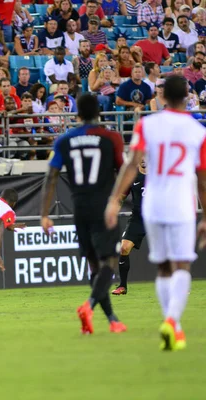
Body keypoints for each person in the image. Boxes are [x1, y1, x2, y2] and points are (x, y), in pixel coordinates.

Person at [105, 75, 206, 351]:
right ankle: (173, 321)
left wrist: (114, 200)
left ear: (161, 98)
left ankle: (172, 324)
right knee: (181, 265)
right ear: (187, 96)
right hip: (181, 205)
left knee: (162, 267)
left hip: (153, 206)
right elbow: (202, 178)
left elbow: (131, 164)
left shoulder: (147, 125)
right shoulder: (197, 131)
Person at [40, 93, 127, 335]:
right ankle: (88, 306)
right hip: (103, 206)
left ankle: (112, 320)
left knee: (94, 267)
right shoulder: (111, 138)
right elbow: (124, 172)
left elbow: (51, 177)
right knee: (109, 262)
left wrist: (44, 214)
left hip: (80, 208)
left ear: (76, 114)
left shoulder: (65, 140)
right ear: (99, 112)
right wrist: (117, 199)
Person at [111, 158, 146, 296]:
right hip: (138, 219)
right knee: (124, 248)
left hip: (156, 217)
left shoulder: (158, 173)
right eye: (141, 156)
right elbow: (121, 197)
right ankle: (122, 286)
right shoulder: (132, 176)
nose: (143, 159)